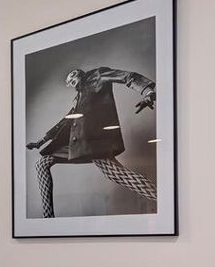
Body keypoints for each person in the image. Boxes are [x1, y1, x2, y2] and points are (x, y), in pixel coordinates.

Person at [26, 67, 158, 218]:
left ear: (79, 73)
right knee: (42, 164)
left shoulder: (97, 75)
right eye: (69, 81)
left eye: (72, 76)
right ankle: (48, 218)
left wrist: (148, 92)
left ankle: (163, 198)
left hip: (93, 143)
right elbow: (65, 121)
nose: (71, 81)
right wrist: (40, 142)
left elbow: (127, 76)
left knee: (118, 175)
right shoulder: (80, 96)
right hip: (78, 145)